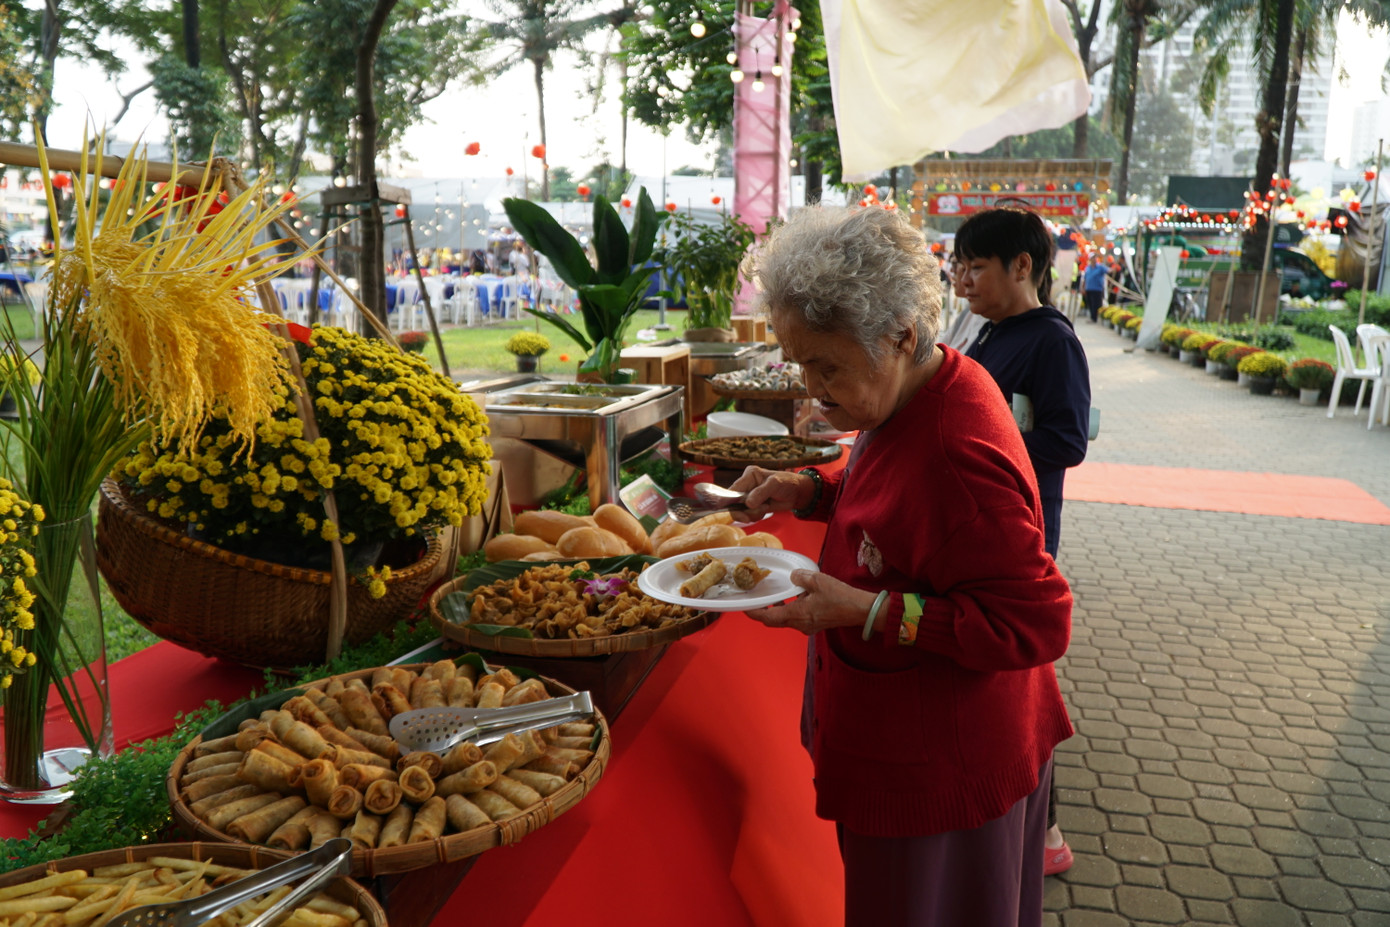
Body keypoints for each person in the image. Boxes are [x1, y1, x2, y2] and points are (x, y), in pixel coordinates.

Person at [730, 205, 1074, 927]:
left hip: (946, 779)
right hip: (915, 751)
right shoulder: (911, 389)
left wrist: (867, 609)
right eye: (799, 362)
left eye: (826, 366)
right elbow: (896, 508)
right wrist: (811, 489)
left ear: (902, 336)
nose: (811, 386)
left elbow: (1036, 623)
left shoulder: (958, 453)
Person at [954, 207, 1092, 877]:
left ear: (1023, 266)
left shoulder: (1052, 342)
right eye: (959, 265)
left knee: (1019, 686)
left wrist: (980, 448)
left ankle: (1047, 833)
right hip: (979, 526)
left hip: (1021, 534)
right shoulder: (990, 332)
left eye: (976, 266)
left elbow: (1067, 440)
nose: (962, 279)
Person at [1081, 252, 1108, 323]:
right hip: (1089, 288)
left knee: (1096, 304)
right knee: (1090, 303)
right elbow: (1085, 278)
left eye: (1095, 257)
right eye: (1093, 258)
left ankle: (1095, 318)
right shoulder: (1087, 268)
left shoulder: (1100, 267)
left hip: (1097, 289)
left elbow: (1108, 270)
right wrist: (1083, 288)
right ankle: (1092, 317)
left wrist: (1114, 268)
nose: (1094, 259)